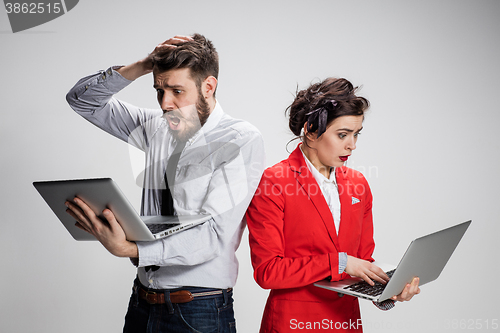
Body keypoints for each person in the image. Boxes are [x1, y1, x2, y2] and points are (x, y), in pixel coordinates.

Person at [65, 34, 265, 332]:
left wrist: (130, 249)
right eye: (159, 90)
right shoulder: (155, 127)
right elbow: (82, 100)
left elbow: (212, 235)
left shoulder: (240, 139)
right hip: (142, 301)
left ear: (208, 87)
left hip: (199, 308)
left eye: (177, 90)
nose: (165, 103)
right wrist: (143, 65)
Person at [245, 77, 420, 332]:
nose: (352, 145)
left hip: (346, 323)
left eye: (356, 134)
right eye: (342, 135)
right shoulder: (275, 181)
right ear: (311, 131)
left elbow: (361, 263)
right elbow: (268, 271)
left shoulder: (358, 184)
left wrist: (388, 291)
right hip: (293, 323)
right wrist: (339, 262)